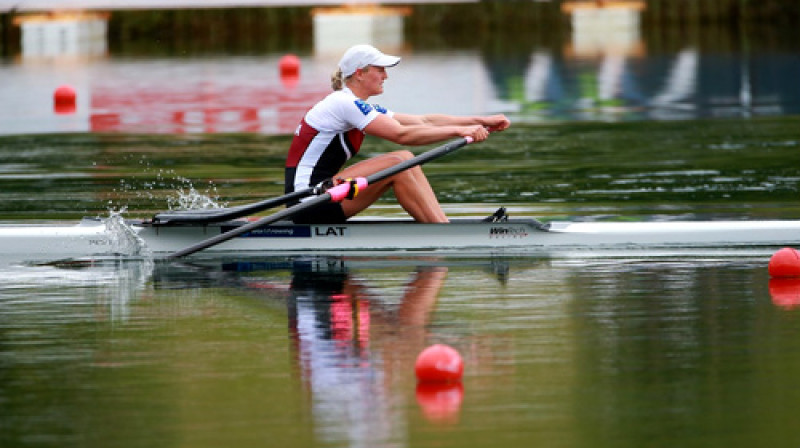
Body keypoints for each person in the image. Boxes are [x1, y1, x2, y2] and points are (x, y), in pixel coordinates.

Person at [285, 44, 511, 224]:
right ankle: (443, 231)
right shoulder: (344, 103)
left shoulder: (357, 105)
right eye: (380, 69)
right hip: (308, 202)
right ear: (359, 74)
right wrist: (460, 131)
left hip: (325, 193)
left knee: (404, 158)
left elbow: (424, 121)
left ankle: (441, 225)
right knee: (397, 163)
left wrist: (482, 120)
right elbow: (402, 135)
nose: (386, 76)